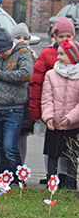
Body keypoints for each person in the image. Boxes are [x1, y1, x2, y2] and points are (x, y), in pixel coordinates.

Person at [30, 17, 75, 184]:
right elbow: (37, 83)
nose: (64, 40)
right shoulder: (47, 54)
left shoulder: (76, 54)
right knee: (51, 146)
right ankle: (51, 176)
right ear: (54, 36)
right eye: (61, 36)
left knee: (67, 147)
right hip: (51, 108)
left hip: (71, 113)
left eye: (68, 36)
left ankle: (65, 177)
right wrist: (37, 110)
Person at [0, 25, 33, 179]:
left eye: (3, 51)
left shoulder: (22, 54)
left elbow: (26, 75)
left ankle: (16, 179)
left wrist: (1, 75)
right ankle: (3, 177)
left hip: (13, 109)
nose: (0, 54)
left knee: (10, 147)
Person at [41, 39, 79, 190]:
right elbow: (47, 98)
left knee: (71, 156)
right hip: (55, 124)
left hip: (73, 124)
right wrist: (49, 117)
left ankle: (70, 183)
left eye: (62, 54)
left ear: (73, 56)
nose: (58, 57)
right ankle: (52, 182)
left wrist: (71, 118)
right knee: (53, 154)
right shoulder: (51, 75)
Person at [11, 23, 37, 166]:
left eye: (25, 38)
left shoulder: (34, 58)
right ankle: (9, 169)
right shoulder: (7, 58)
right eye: (18, 37)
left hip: (26, 104)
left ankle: (20, 168)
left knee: (22, 137)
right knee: (9, 140)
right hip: (11, 103)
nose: (22, 41)